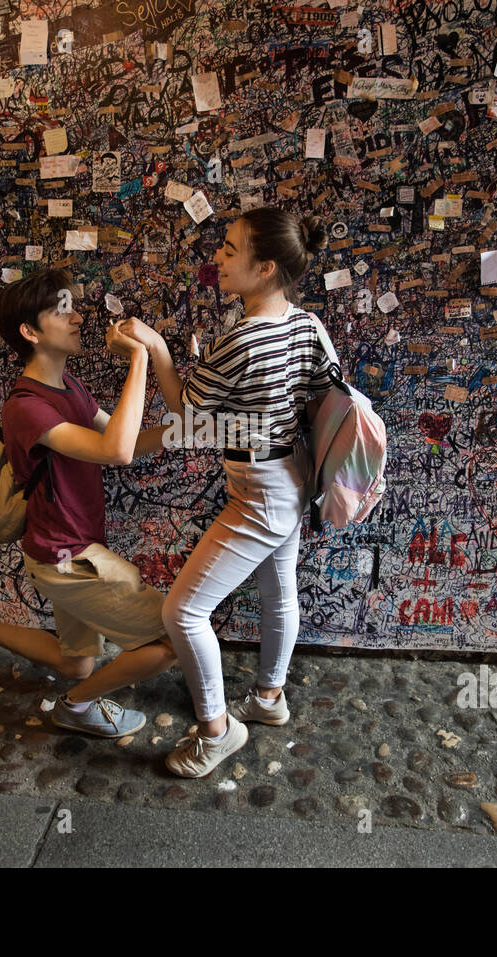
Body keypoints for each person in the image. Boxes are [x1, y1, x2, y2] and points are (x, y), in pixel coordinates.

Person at [119, 207, 333, 776]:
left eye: (231, 249)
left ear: (264, 268)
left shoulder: (241, 338)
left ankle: (217, 730)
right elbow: (318, 393)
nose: (218, 255)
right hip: (294, 475)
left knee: (183, 611)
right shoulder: (306, 324)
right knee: (279, 591)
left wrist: (159, 350)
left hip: (259, 491)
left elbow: (183, 410)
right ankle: (269, 699)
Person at [0, 267, 176, 738]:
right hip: (66, 557)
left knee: (77, 662)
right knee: (169, 641)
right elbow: (117, 451)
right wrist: (140, 359)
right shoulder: (26, 407)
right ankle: (74, 709)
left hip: (64, 547)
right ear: (30, 332)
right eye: (61, 310)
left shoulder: (70, 389)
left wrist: (182, 431)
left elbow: (121, 440)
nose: (78, 317)